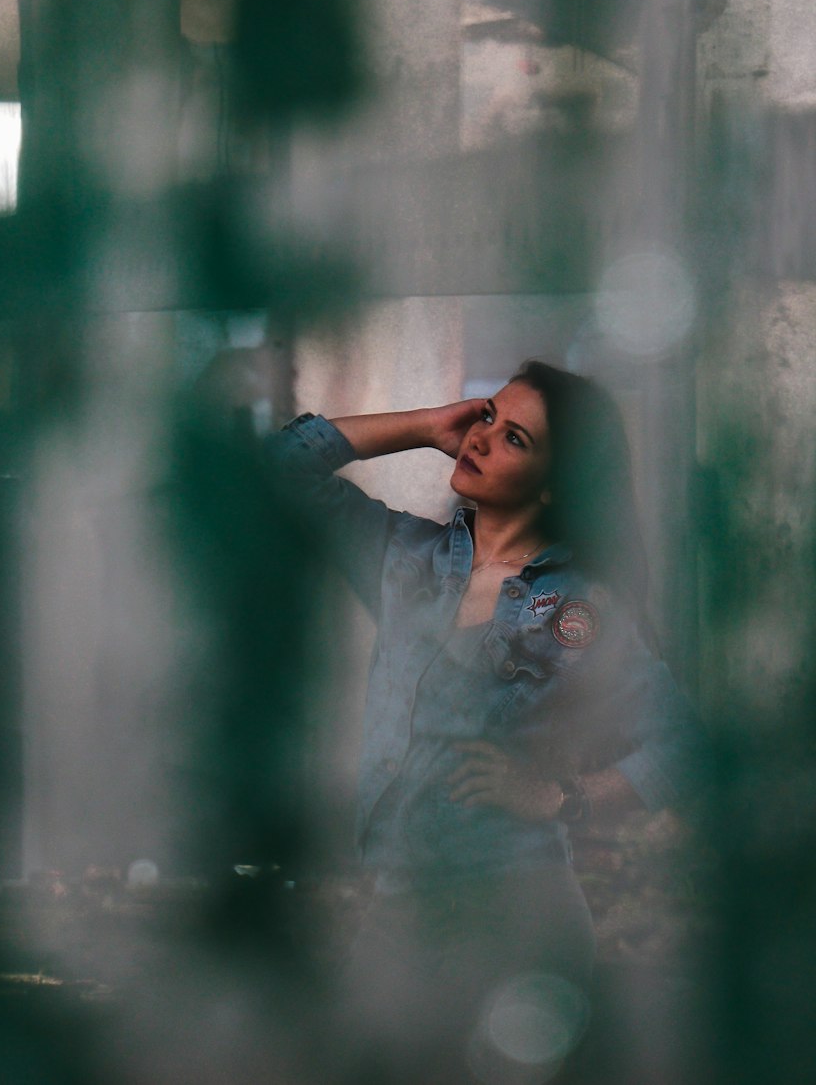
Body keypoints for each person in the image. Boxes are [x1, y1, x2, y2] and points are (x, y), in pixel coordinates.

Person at [267, 360, 703, 1083]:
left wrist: (565, 798)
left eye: (517, 439)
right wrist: (424, 423)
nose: (482, 438)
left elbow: (683, 745)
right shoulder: (405, 558)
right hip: (399, 908)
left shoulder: (578, 609)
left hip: (518, 913)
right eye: (488, 417)